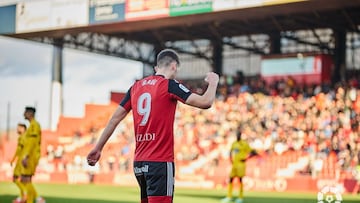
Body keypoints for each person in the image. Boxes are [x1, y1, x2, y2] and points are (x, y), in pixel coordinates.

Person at [87, 48, 219, 203]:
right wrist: (214, 82)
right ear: (174, 66)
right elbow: (205, 102)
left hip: (139, 165)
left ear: (156, 67)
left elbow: (114, 119)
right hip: (159, 163)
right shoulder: (169, 85)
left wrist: (98, 148)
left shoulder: (135, 88)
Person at [221, 128, 254, 203]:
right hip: (234, 164)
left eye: (239, 134)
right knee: (231, 179)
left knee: (240, 180)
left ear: (241, 135)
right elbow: (230, 151)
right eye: (237, 134)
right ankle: (229, 196)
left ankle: (240, 197)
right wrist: (230, 159)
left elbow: (252, 152)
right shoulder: (234, 143)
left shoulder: (244, 144)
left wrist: (246, 158)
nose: (238, 136)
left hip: (241, 164)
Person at [20, 106, 44, 203]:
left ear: (30, 113)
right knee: (25, 179)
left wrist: (26, 156)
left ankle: (35, 199)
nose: (23, 114)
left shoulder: (35, 125)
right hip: (29, 155)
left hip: (31, 156)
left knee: (26, 178)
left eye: (25, 112)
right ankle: (33, 199)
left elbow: (32, 143)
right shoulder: (31, 126)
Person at [11, 123, 27, 203]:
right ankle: (22, 198)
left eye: (19, 128)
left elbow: (27, 148)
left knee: (15, 178)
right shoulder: (22, 137)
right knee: (21, 180)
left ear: (23, 129)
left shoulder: (24, 137)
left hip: (22, 161)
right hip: (21, 160)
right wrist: (13, 159)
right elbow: (19, 150)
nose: (17, 129)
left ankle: (24, 194)